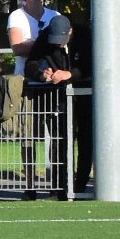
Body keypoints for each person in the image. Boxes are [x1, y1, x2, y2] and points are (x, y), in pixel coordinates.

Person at [24, 15, 78, 201]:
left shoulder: (85, 36)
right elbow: (30, 64)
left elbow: (89, 66)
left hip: (82, 96)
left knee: (82, 140)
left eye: (61, 41)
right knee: (57, 139)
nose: (58, 45)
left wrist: (69, 74)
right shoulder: (45, 38)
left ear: (70, 32)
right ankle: (58, 187)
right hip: (55, 97)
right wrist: (41, 74)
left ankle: (77, 185)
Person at [7, 0, 60, 75]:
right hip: (25, 78)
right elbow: (18, 49)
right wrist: (49, 45)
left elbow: (62, 46)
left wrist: (31, 44)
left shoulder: (55, 16)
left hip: (53, 77)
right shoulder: (16, 16)